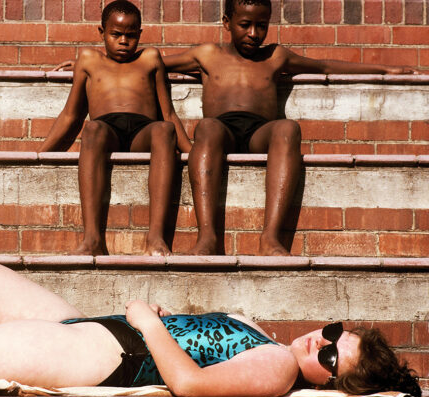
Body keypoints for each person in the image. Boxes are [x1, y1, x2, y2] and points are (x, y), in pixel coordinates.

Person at [0, 255, 421, 397]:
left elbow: (189, 385)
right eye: (331, 331)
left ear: (329, 384)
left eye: (330, 357)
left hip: (98, 352)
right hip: (95, 330)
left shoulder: (274, 367)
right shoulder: (270, 344)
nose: (317, 342)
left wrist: (147, 321)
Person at [162, 0, 418, 256]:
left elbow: (324, 66)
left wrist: (384, 69)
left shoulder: (275, 55)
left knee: (287, 128)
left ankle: (270, 238)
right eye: (245, 25)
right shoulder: (207, 54)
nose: (254, 33)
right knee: (207, 127)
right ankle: (207, 237)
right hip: (222, 130)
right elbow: (155, 64)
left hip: (259, 132)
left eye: (261, 26)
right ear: (227, 23)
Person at [39, 1, 191, 256]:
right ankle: (92, 240)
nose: (123, 41)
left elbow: (169, 114)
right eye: (116, 34)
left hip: (143, 131)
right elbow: (71, 115)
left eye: (131, 35)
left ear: (140, 34)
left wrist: (192, 152)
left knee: (164, 130)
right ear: (101, 32)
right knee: (92, 128)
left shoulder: (150, 58)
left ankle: (155, 237)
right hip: (106, 131)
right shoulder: (88, 59)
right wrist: (40, 154)